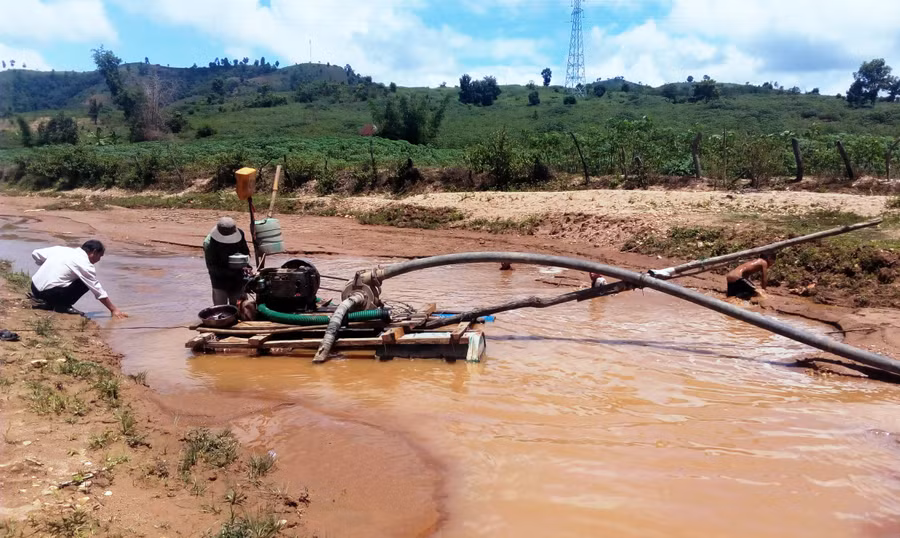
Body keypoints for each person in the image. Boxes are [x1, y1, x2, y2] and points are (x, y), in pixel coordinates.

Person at [29, 239, 128, 318]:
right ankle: (63, 306)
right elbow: (97, 290)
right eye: (100, 256)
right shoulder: (85, 264)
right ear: (93, 252)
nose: (99, 260)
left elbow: (35, 253)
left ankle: (49, 303)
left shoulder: (61, 249)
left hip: (34, 287)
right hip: (49, 293)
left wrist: (49, 265)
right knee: (85, 282)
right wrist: (113, 309)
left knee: (76, 277)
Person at [203, 217, 251, 306]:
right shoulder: (209, 244)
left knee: (239, 306)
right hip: (219, 278)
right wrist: (230, 273)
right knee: (221, 308)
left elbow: (245, 252)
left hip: (237, 276)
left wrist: (247, 266)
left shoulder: (240, 234)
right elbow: (212, 266)